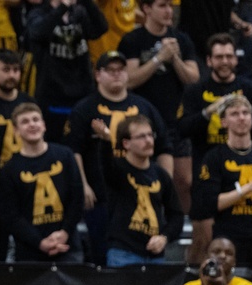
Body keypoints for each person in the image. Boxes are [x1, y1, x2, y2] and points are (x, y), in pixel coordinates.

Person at [65, 50, 173, 265]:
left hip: (140, 192)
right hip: (100, 193)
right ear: (98, 75)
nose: (116, 75)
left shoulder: (144, 106)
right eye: (110, 70)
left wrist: (165, 181)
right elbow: (73, 149)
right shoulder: (85, 108)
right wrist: (83, 184)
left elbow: (164, 147)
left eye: (121, 70)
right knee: (101, 251)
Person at [118, 0, 200, 213]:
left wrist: (174, 60)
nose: (168, 11)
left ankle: (182, 227)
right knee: (150, 180)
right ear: (146, 9)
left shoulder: (180, 39)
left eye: (170, 6)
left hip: (176, 120)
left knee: (184, 181)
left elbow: (193, 78)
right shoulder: (133, 40)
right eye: (162, 5)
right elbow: (129, 80)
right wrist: (158, 59)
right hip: (143, 122)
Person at [191, 95, 252, 268]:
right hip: (228, 236)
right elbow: (211, 204)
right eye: (235, 114)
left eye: (246, 113)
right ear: (224, 122)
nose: (242, 117)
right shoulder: (214, 158)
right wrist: (249, 187)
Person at [0, 102, 85, 263]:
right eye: (25, 121)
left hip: (68, 248)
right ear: (16, 131)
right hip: (30, 254)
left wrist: (64, 233)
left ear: (44, 125)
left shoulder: (65, 156)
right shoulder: (9, 169)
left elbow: (77, 198)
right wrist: (40, 242)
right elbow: (11, 216)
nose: (32, 124)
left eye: (36, 119)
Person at [0, 50, 37, 262]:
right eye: (6, 70)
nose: (12, 75)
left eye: (15, 70)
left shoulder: (28, 104)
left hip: (27, 186)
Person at [102, 114, 184, 267]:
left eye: (150, 135)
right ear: (126, 143)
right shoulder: (118, 170)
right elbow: (106, 166)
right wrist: (106, 141)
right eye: (141, 137)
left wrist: (164, 238)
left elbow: (177, 216)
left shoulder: (161, 175)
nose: (148, 141)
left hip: (155, 256)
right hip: (123, 253)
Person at [26, 0, 109, 145]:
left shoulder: (79, 12)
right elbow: (37, 32)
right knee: (55, 144)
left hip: (83, 93)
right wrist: (62, 8)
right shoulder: (38, 13)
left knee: (86, 145)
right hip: (53, 96)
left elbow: (100, 28)